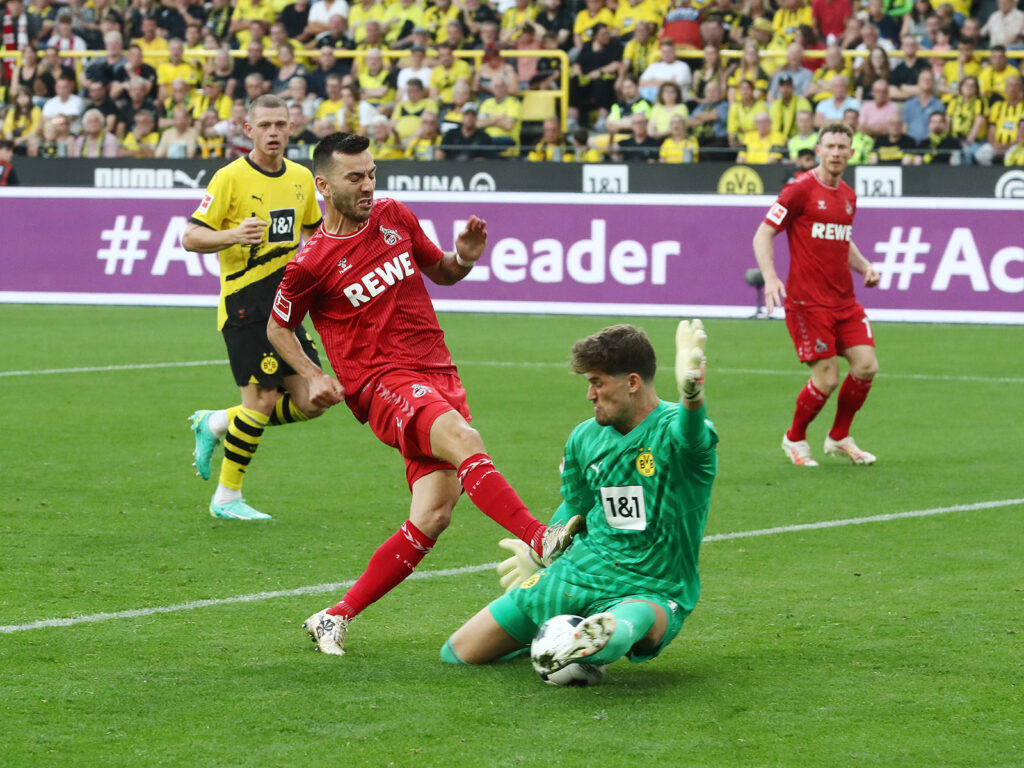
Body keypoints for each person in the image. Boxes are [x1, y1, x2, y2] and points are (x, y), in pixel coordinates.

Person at [264, 132, 583, 656]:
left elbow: (444, 273)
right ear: (323, 185)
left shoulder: (395, 216)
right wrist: (312, 371)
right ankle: (539, 537)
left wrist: (464, 256)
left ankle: (334, 615)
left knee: (432, 514)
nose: (368, 185)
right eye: (354, 177)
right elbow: (280, 328)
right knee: (463, 437)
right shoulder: (311, 262)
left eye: (371, 174)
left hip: (438, 373)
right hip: (380, 384)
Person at [440, 321, 717, 678]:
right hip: (580, 572)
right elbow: (575, 505)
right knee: (458, 653)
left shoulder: (675, 430)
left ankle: (599, 636)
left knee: (633, 619)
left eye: (597, 383)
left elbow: (692, 436)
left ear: (632, 383)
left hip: (653, 583)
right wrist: (540, 552)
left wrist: (692, 399)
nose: (590, 394)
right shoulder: (585, 439)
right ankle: (555, 641)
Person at [180, 94, 326, 521]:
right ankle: (227, 497)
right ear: (248, 130)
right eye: (264, 125)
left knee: (312, 399)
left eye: (280, 124)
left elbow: (317, 235)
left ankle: (218, 422)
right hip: (245, 304)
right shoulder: (230, 178)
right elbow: (190, 237)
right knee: (261, 399)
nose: (274, 132)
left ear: (291, 126)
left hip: (286, 308)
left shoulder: (301, 178)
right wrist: (232, 235)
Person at [752, 120, 881, 467]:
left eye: (843, 147)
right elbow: (763, 233)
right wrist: (770, 277)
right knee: (826, 378)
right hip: (807, 303)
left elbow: (842, 241)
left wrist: (865, 266)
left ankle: (839, 437)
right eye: (831, 146)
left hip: (844, 301)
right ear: (819, 151)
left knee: (866, 366)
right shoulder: (799, 190)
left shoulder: (849, 197)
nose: (837, 152)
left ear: (851, 153)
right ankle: (794, 439)